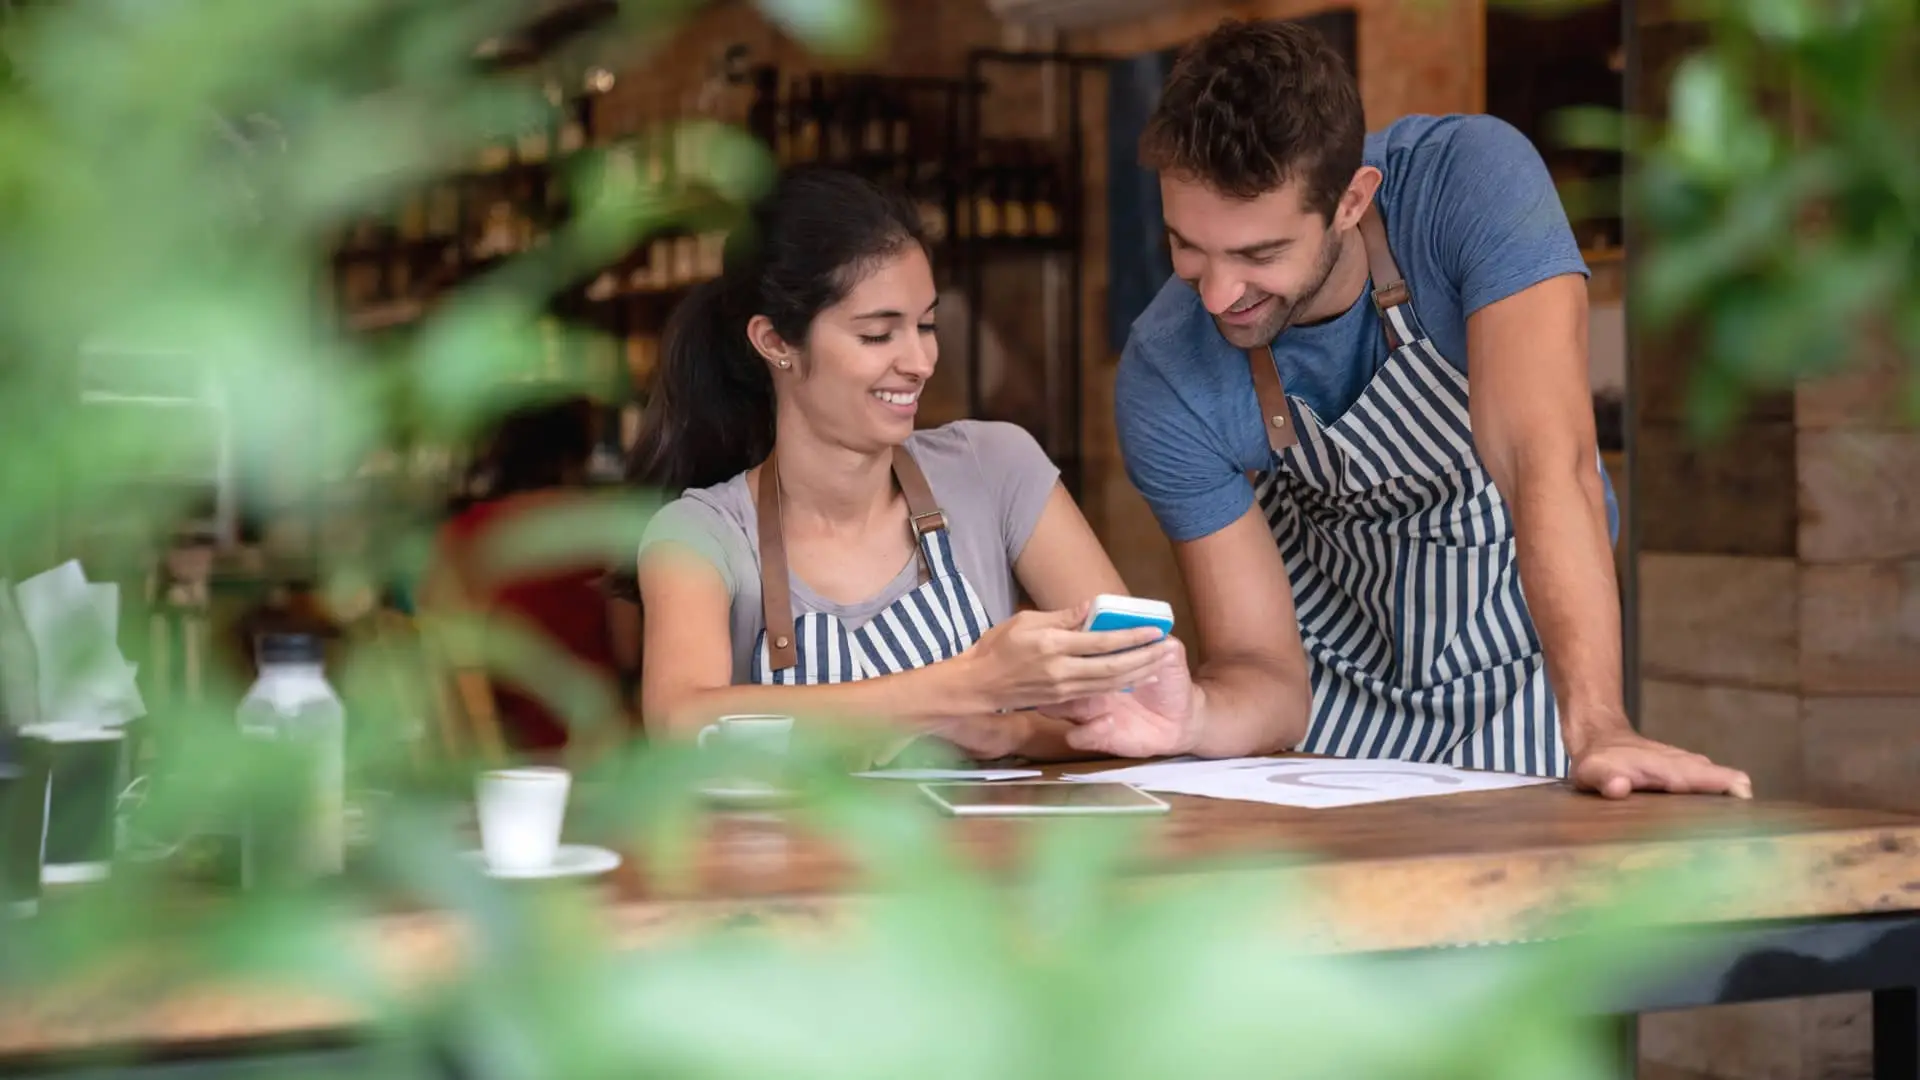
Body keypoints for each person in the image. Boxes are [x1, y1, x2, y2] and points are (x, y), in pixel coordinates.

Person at [1100, 19, 1752, 797]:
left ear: (1351, 200)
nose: (1216, 294)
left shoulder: (1469, 184)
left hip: (1524, 678)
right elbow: (1262, 669)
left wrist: (1600, 726)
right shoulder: (1164, 371)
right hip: (1325, 719)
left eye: (1259, 255)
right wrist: (1193, 720)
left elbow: (1547, 466)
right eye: (1187, 248)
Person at [631, 167, 1204, 764]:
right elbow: (682, 723)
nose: (922, 360)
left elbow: (1129, 707)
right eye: (879, 335)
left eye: (926, 325)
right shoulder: (700, 535)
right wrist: (968, 685)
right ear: (775, 343)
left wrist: (1008, 732)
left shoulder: (995, 467)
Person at [424, 394, 633, 756]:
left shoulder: (458, 535)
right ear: (579, 448)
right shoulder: (603, 528)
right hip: (593, 746)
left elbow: (443, 659)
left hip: (494, 748)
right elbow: (628, 648)